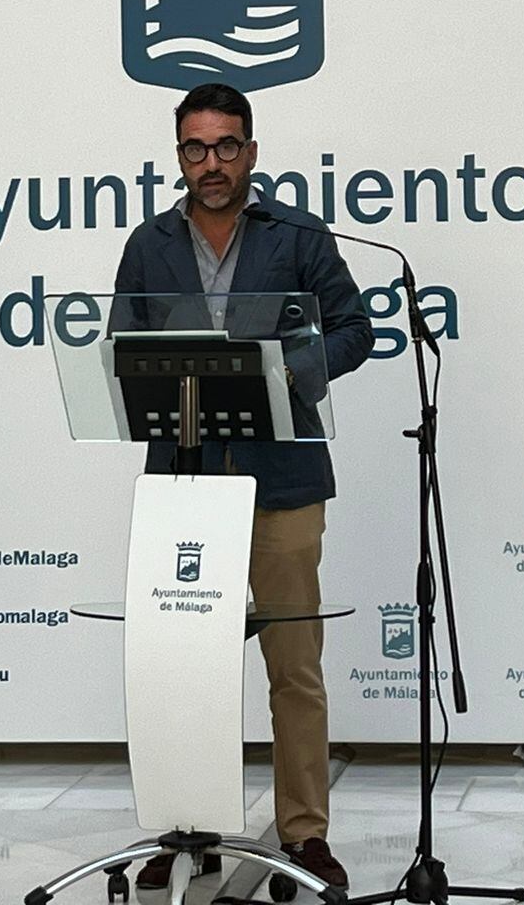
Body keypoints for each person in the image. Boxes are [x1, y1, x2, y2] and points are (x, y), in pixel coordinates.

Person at [113, 82, 372, 893]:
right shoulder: (149, 244)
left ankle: (304, 831)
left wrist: (284, 372)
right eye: (196, 147)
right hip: (184, 485)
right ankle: (186, 825)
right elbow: (120, 347)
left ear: (252, 153)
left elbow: (355, 327)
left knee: (294, 668)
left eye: (227, 146)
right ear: (178, 155)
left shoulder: (296, 236)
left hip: (282, 482)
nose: (212, 163)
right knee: (184, 665)